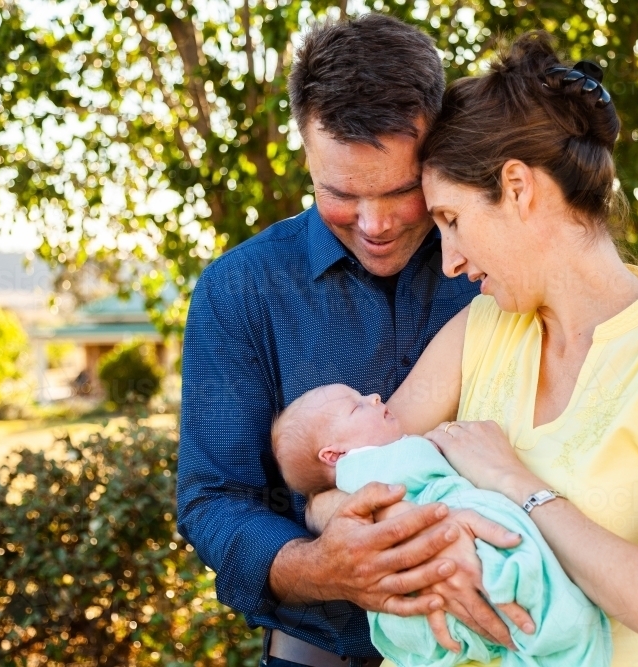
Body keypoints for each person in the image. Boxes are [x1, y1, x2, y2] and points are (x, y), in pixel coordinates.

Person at [307, 32, 638, 667]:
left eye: (450, 220)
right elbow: (332, 494)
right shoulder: (479, 330)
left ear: (518, 188)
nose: (448, 262)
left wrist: (513, 484)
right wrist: (426, 543)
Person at [177, 14, 532, 667]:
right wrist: (326, 565)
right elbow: (214, 498)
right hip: (318, 653)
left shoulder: (505, 269)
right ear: (306, 153)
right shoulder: (237, 292)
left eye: (401, 192)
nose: (374, 225)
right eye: (340, 193)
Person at [269, 382, 612, 667]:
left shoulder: (361, 471)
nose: (373, 396)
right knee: (518, 575)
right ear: (335, 455)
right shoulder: (365, 466)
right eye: (357, 407)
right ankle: (561, 635)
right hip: (445, 538)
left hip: (423, 588)